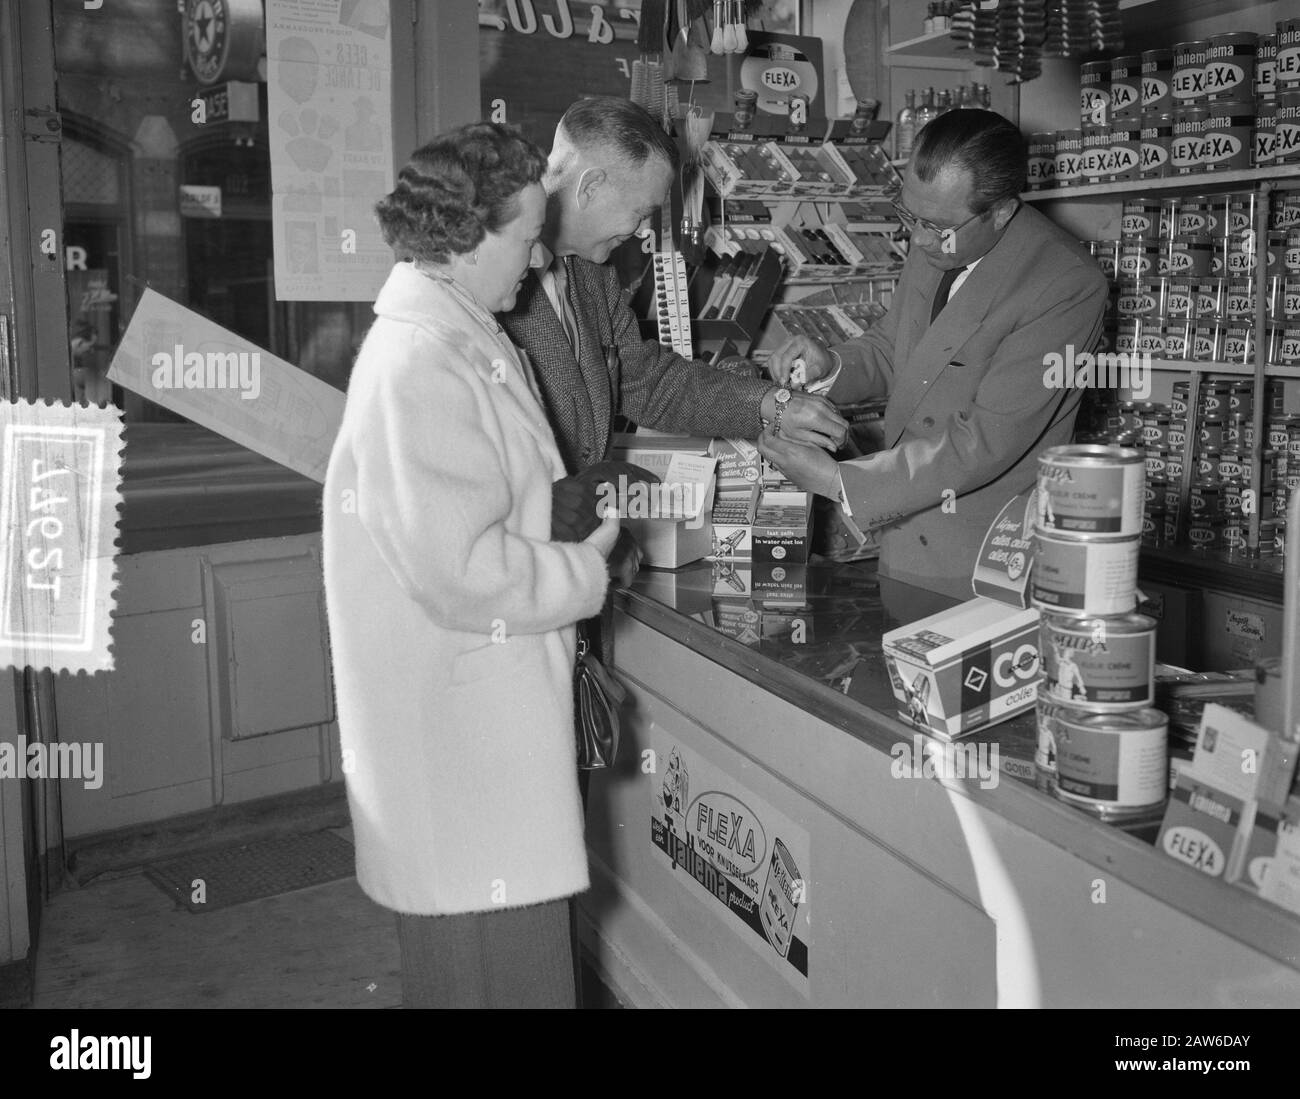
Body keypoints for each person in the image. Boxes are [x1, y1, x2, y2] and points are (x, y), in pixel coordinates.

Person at [322, 123, 621, 1009]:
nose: (537, 263)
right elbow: (459, 569)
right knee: (493, 976)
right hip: (462, 742)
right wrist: (582, 570)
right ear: (464, 236)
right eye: (526, 240)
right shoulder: (420, 358)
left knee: (501, 969)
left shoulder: (459, 330)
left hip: (472, 730)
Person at [761, 109, 1108, 600]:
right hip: (905, 543)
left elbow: (986, 440)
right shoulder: (940, 240)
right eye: (910, 216)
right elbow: (895, 349)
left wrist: (840, 482)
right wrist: (830, 365)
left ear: (1003, 211)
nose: (918, 240)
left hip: (989, 561)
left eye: (938, 226)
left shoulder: (1064, 284)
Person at [499, 95, 849, 548]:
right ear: (590, 187)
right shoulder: (494, 282)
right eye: (641, 213)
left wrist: (771, 403)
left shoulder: (593, 274)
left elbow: (648, 382)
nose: (645, 232)